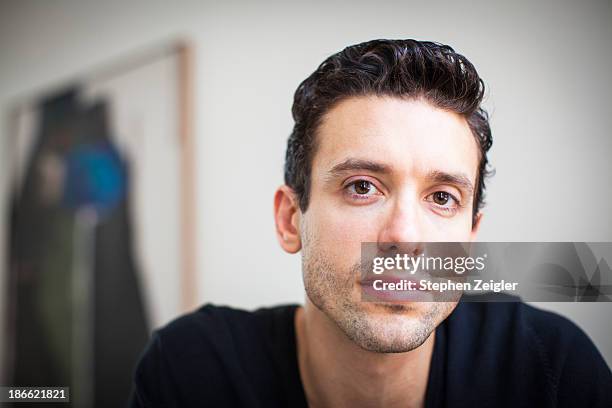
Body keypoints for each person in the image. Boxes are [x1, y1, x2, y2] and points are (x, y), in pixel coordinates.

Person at [129, 39, 612, 407]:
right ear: (290, 219)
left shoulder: (549, 367)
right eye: (362, 187)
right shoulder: (193, 371)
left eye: (442, 197)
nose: (403, 236)